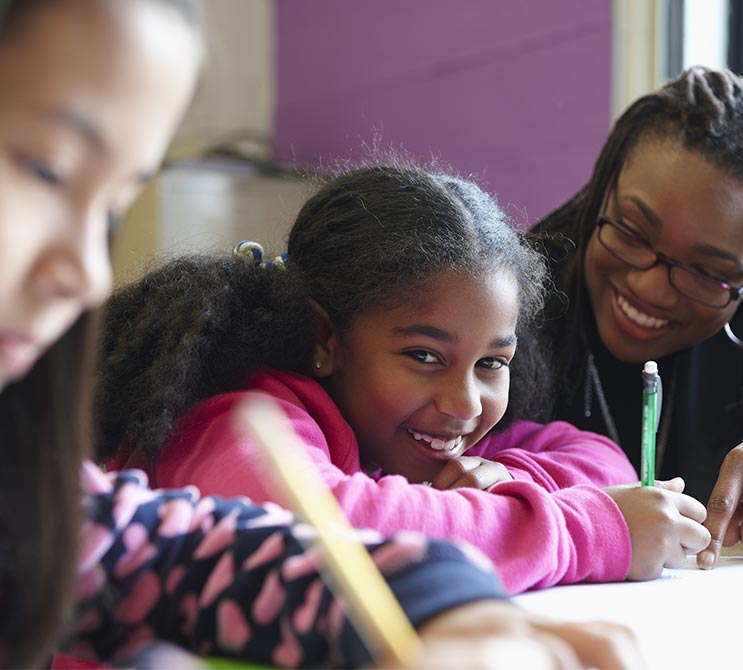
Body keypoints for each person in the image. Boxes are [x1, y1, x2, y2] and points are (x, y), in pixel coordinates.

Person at [0, 2, 645, 669]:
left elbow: (162, 553)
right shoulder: (242, 418)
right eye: (46, 169)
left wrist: (445, 600)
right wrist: (583, 529)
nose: (87, 275)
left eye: (111, 214)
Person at [97, 164, 711, 596]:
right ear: (325, 339)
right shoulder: (237, 415)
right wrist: (590, 532)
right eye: (423, 355)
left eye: (492, 362)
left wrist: (505, 480)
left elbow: (601, 460)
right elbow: (326, 533)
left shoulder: (419, 432)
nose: (464, 402)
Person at [526, 66, 743, 570]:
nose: (648, 286)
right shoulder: (514, 302)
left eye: (708, 272)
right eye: (634, 232)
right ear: (603, 190)